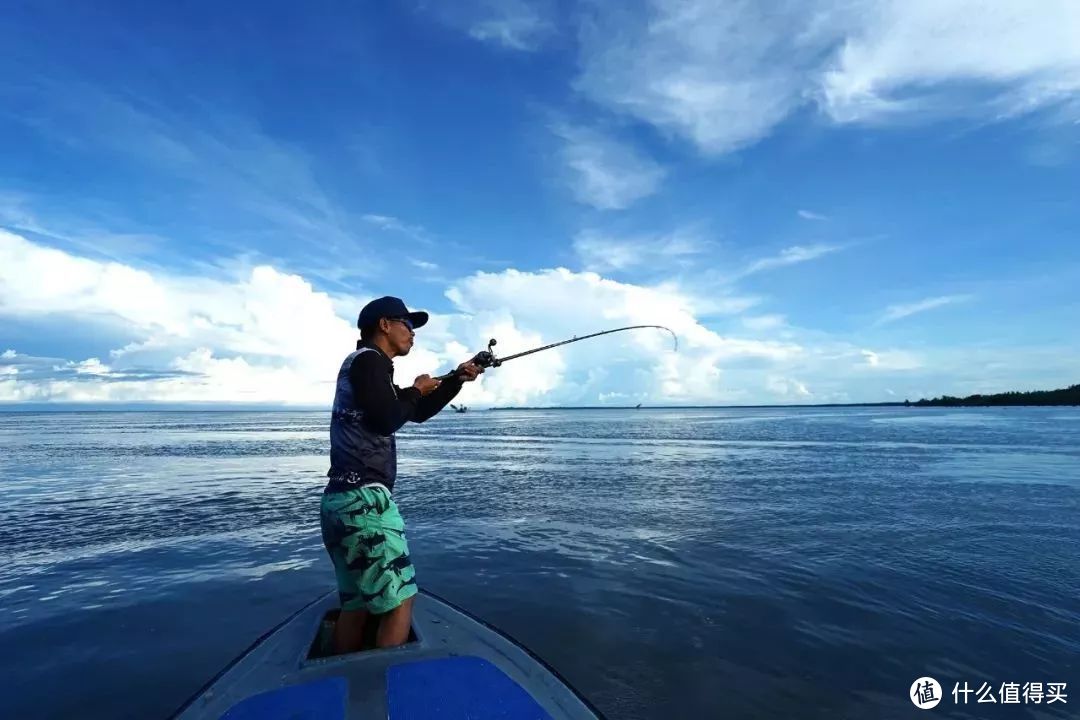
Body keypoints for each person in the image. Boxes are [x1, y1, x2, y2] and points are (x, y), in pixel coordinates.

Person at [320, 295, 482, 653]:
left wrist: (457, 379)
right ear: (385, 325)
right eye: (408, 325)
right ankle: (385, 688)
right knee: (399, 604)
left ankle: (348, 681)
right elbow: (388, 418)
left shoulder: (367, 366)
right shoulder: (369, 361)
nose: (413, 333)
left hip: (340, 501)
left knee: (357, 606)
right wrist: (414, 389)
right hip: (364, 504)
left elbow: (413, 412)